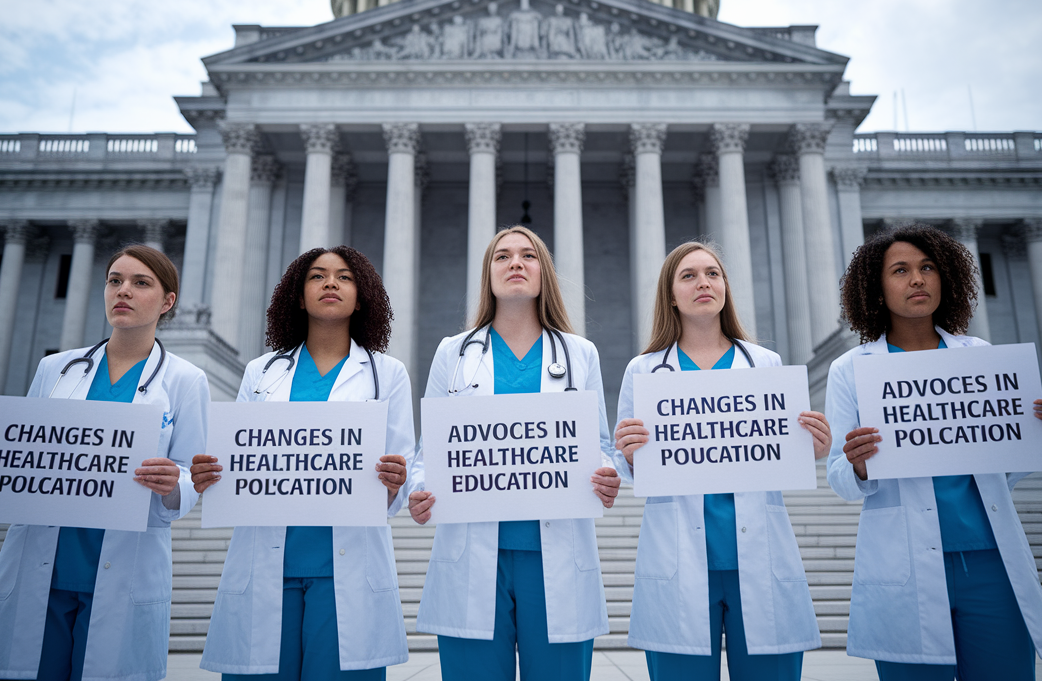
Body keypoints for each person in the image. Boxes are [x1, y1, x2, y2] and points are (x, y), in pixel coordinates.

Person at [0, 245, 209, 681]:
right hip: (42, 567)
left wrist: (174, 483)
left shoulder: (186, 380)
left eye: (140, 283)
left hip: (124, 565)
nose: (123, 291)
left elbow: (192, 475)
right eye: (114, 281)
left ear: (168, 302)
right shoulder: (56, 369)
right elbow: (26, 457)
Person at [826, 223, 1042, 680]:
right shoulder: (851, 369)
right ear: (876, 288)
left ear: (946, 278)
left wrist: (1036, 440)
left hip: (990, 564)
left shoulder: (979, 354)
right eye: (900, 270)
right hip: (905, 567)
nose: (917, 279)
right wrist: (858, 465)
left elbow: (999, 472)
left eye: (928, 267)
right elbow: (839, 479)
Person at [407, 226, 621, 681]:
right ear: (488, 275)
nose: (516, 263)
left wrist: (605, 474)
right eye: (502, 256)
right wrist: (421, 489)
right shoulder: (453, 353)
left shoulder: (580, 354)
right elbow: (430, 452)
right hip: (472, 555)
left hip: (556, 558)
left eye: (528, 255)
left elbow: (600, 445)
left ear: (544, 274)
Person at [192, 246, 414, 680]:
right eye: (317, 276)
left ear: (362, 295)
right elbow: (238, 461)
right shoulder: (261, 372)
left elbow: (399, 476)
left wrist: (395, 479)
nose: (330, 283)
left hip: (345, 570)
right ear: (298, 296)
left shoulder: (387, 374)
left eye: (344, 277)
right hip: (265, 566)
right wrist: (210, 474)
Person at [612, 241, 830, 681]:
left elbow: (780, 451)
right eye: (688, 276)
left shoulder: (765, 364)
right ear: (671, 295)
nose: (703, 283)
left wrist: (813, 449)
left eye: (713, 273)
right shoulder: (644, 371)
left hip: (759, 556)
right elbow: (627, 464)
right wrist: (629, 453)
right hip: (679, 558)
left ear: (726, 287)